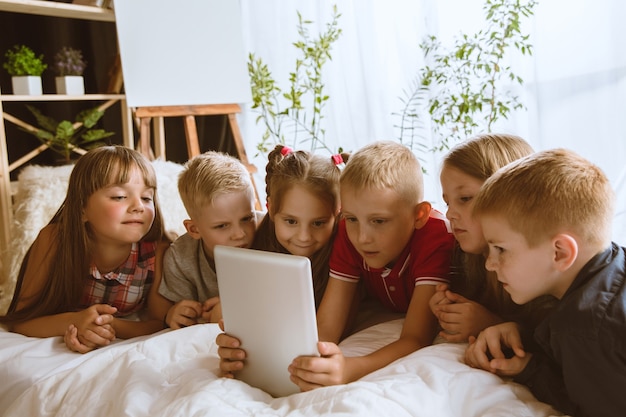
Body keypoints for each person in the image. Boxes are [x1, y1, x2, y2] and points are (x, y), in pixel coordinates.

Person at [464, 148, 626, 417]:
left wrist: (531, 370)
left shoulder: (584, 330)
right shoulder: (614, 260)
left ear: (560, 253)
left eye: (500, 250)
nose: (489, 264)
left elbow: (590, 406)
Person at [283, 140, 454, 390]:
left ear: (419, 215)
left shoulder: (436, 238)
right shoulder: (346, 233)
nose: (362, 237)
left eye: (379, 221)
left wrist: (350, 368)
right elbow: (327, 326)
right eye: (352, 218)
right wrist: (303, 364)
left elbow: (416, 337)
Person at [0, 146, 171, 353]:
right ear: (82, 208)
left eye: (146, 197)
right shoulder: (55, 240)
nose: (138, 206)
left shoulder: (158, 251)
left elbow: (159, 324)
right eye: (119, 196)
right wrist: (75, 322)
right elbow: (22, 321)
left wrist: (105, 325)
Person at [429, 134, 555, 342]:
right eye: (447, 202)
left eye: (465, 199)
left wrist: (491, 324)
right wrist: (449, 306)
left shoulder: (540, 267)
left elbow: (556, 341)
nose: (450, 214)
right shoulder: (464, 255)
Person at [159, 151, 260, 329]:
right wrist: (173, 313)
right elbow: (173, 313)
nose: (239, 234)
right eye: (222, 226)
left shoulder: (270, 237)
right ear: (194, 229)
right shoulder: (180, 257)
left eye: (247, 219)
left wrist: (234, 307)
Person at [251, 144, 346, 306]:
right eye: (291, 221)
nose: (304, 237)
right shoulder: (257, 244)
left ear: (337, 213)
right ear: (271, 209)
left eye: (318, 223)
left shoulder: (344, 256)